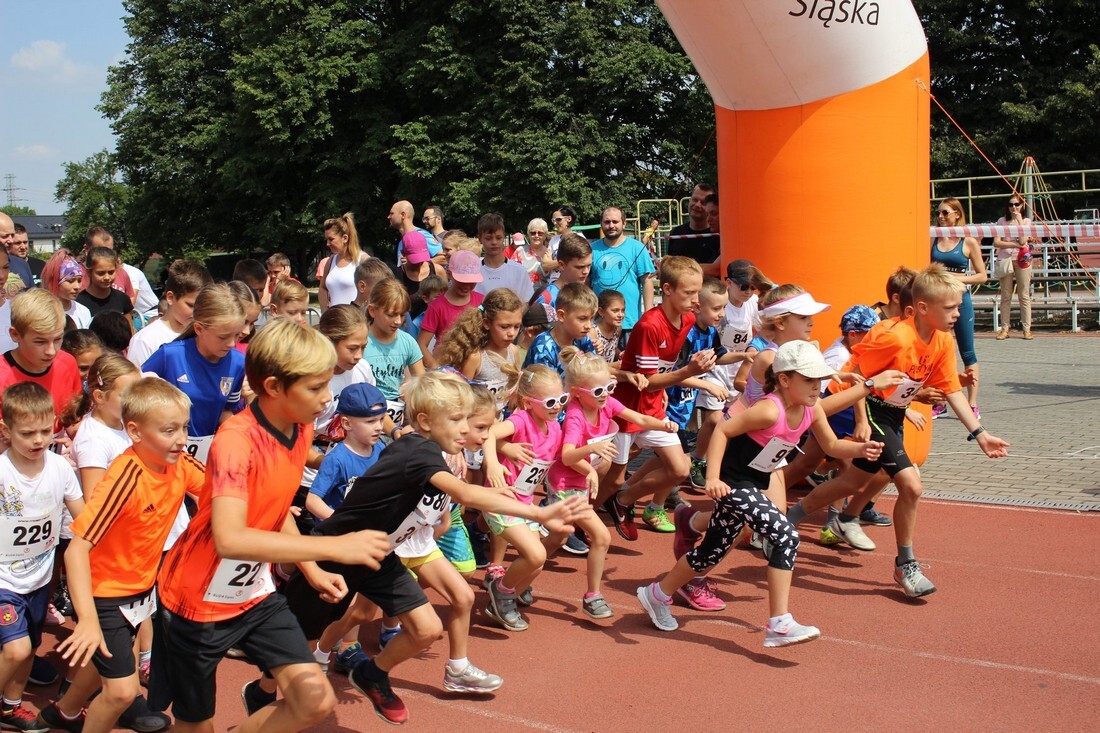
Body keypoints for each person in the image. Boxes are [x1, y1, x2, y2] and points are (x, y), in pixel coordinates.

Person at [280, 371, 586, 724]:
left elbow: (453, 496)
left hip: (378, 553)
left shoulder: (427, 450)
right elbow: (464, 493)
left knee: (426, 629)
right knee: (297, 648)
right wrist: (538, 510)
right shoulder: (419, 451)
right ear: (425, 421)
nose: (463, 428)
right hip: (337, 551)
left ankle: (371, 674)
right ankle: (265, 693)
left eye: (466, 420)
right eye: (456, 420)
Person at [149, 319, 392, 733]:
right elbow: (229, 539)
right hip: (195, 602)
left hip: (253, 593)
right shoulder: (235, 441)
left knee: (315, 699)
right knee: (195, 725)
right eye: (315, 387)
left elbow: (276, 506)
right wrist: (331, 549)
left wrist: (313, 572)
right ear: (276, 387)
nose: (326, 397)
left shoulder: (299, 428)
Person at [784, 264, 1009, 598]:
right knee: (911, 485)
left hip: (892, 414)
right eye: (949, 308)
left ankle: (790, 520)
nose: (956, 314)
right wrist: (860, 418)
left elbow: (951, 391)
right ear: (921, 308)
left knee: (852, 481)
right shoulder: (893, 335)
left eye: (958, 307)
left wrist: (980, 434)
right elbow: (856, 375)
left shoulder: (944, 342)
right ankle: (905, 564)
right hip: (869, 407)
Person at [639, 341, 884, 645]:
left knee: (710, 553)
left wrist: (861, 448)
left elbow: (832, 446)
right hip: (732, 482)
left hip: (754, 482)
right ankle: (779, 623)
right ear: (784, 380)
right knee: (786, 536)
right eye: (809, 380)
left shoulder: (811, 409)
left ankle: (656, 594)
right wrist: (712, 477)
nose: (816, 387)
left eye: (819, 380)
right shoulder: (769, 409)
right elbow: (723, 430)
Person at [46, 379, 203, 733]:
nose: (181, 438)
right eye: (168, 430)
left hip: (141, 589)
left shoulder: (179, 462)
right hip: (105, 594)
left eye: (184, 427)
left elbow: (218, 492)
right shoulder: (125, 478)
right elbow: (76, 550)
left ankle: (66, 712)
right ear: (135, 431)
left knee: (103, 660)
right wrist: (85, 619)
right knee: (121, 692)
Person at [601, 256, 709, 540]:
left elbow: (661, 372)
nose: (695, 299)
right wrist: (688, 371)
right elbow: (645, 382)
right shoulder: (650, 325)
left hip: (651, 407)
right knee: (613, 478)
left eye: (697, 292)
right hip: (625, 408)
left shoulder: (687, 319)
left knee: (679, 468)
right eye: (688, 293)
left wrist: (665, 388)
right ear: (668, 290)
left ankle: (623, 502)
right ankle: (583, 517)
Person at [140, 283, 246, 467]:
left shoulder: (238, 363)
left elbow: (226, 412)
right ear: (198, 329)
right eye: (223, 337)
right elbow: (136, 398)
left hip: (208, 459)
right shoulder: (169, 356)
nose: (231, 343)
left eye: (236, 336)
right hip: (163, 457)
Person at [931, 197, 986, 419]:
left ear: (957, 214)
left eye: (945, 212)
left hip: (961, 301)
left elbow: (982, 275)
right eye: (939, 213)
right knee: (938, 352)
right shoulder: (933, 238)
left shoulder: (967, 241)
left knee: (967, 351)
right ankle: (940, 400)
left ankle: (972, 402)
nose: (941, 217)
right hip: (938, 302)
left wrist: (956, 278)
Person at [435, 288, 523, 418]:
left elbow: (514, 390)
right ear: (487, 323)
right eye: (504, 327)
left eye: (517, 326)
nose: (512, 333)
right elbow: (461, 399)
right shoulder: (476, 358)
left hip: (502, 420)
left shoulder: (513, 351)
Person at [364, 279, 425, 438]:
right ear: (372, 311)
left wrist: (412, 388)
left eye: (401, 314)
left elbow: (422, 384)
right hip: (365, 418)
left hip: (397, 419)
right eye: (391, 315)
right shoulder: (361, 342)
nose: (398, 321)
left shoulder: (407, 342)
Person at [127, 260, 212, 367]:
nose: (198, 312)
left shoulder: (209, 335)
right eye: (191, 306)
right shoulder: (145, 341)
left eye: (204, 306)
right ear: (171, 298)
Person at [589, 206, 655, 333]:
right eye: (607, 222)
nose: (611, 225)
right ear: (601, 224)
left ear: (623, 223)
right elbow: (586, 283)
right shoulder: (592, 249)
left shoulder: (637, 248)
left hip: (630, 324)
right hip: (599, 324)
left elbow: (647, 281)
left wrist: (648, 314)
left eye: (615, 221)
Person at [416, 250, 484, 368]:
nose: (467, 286)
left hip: (477, 368)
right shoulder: (437, 306)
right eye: (462, 280)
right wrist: (435, 366)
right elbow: (421, 344)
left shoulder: (482, 301)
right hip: (447, 368)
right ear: (449, 274)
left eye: (472, 281)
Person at [523, 283, 597, 376]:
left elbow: (595, 371)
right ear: (561, 315)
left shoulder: (582, 339)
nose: (588, 326)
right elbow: (545, 388)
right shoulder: (543, 347)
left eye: (591, 318)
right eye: (582, 318)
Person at [993, 195, 1033, 340]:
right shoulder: (1001, 221)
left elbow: (1023, 241)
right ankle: (1004, 328)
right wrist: (1014, 244)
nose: (1014, 207)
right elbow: (997, 242)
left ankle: (1026, 329)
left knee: (1024, 294)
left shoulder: (1027, 221)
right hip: (1006, 259)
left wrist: (1019, 221)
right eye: (1011, 205)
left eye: (1016, 204)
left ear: (1021, 205)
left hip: (1022, 259)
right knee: (1006, 295)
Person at [473, 213, 534, 303]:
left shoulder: (519, 271)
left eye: (498, 238)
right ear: (480, 239)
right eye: (488, 238)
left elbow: (527, 303)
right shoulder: (472, 271)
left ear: (503, 237)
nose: (494, 242)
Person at [531, 232, 592, 320]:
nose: (586, 271)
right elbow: (533, 332)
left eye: (589, 265)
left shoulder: (586, 295)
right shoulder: (548, 299)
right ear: (561, 265)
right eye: (580, 267)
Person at [391, 231, 445, 323]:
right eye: (414, 259)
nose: (419, 263)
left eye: (421, 257)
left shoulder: (437, 271)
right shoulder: (397, 274)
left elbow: (445, 301)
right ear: (403, 253)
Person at [319, 213, 369, 310]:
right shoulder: (330, 261)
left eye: (331, 239)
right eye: (326, 240)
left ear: (345, 238)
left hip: (357, 321)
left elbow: (377, 290)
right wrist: (325, 313)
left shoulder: (363, 260)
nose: (327, 244)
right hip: (334, 321)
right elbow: (323, 288)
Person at [667, 183, 721, 264]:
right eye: (695, 200)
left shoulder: (717, 235)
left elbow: (716, 269)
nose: (697, 205)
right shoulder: (676, 233)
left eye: (703, 202)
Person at [80, 227, 135, 304]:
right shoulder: (75, 276)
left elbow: (129, 301)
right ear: (86, 249)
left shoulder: (121, 273)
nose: (105, 254)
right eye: (99, 250)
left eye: (109, 251)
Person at [41, 250, 92, 329]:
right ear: (55, 281)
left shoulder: (83, 311)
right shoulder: (41, 312)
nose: (77, 286)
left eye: (79, 280)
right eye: (70, 281)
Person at [77, 247, 134, 319]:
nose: (107, 277)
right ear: (89, 272)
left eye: (111, 272)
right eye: (100, 273)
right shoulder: (79, 303)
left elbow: (129, 328)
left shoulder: (122, 299)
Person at [0, 212, 34, 291]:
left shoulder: (21, 264)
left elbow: (33, 298)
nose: (11, 240)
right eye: (5, 236)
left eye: (12, 235)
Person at [590, 289, 626, 364]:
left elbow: (612, 349)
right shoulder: (593, 331)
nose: (620, 315)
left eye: (622, 310)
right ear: (601, 311)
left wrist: (620, 354)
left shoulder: (618, 329)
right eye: (615, 311)